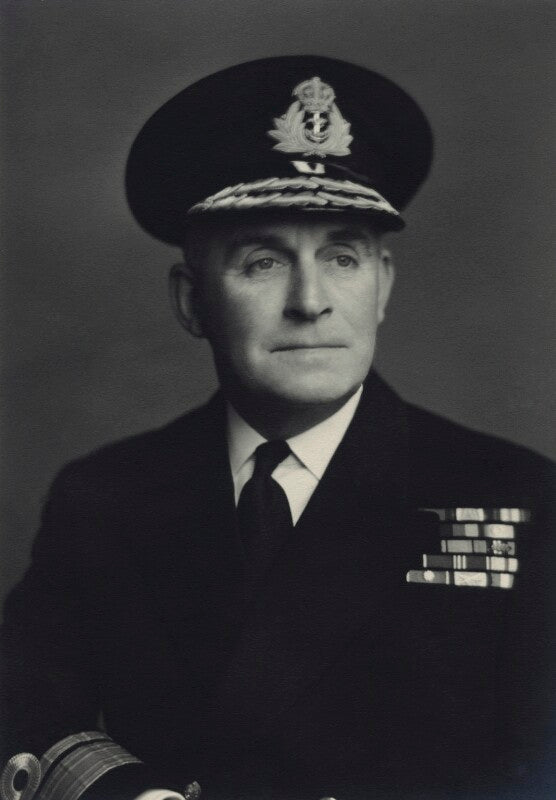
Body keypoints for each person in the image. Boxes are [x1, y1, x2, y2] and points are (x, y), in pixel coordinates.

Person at [1, 56, 554, 800]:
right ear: (192, 302)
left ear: (382, 286)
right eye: (263, 262)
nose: (310, 300)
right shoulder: (106, 496)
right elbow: (23, 704)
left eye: (342, 258)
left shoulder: (521, 496)